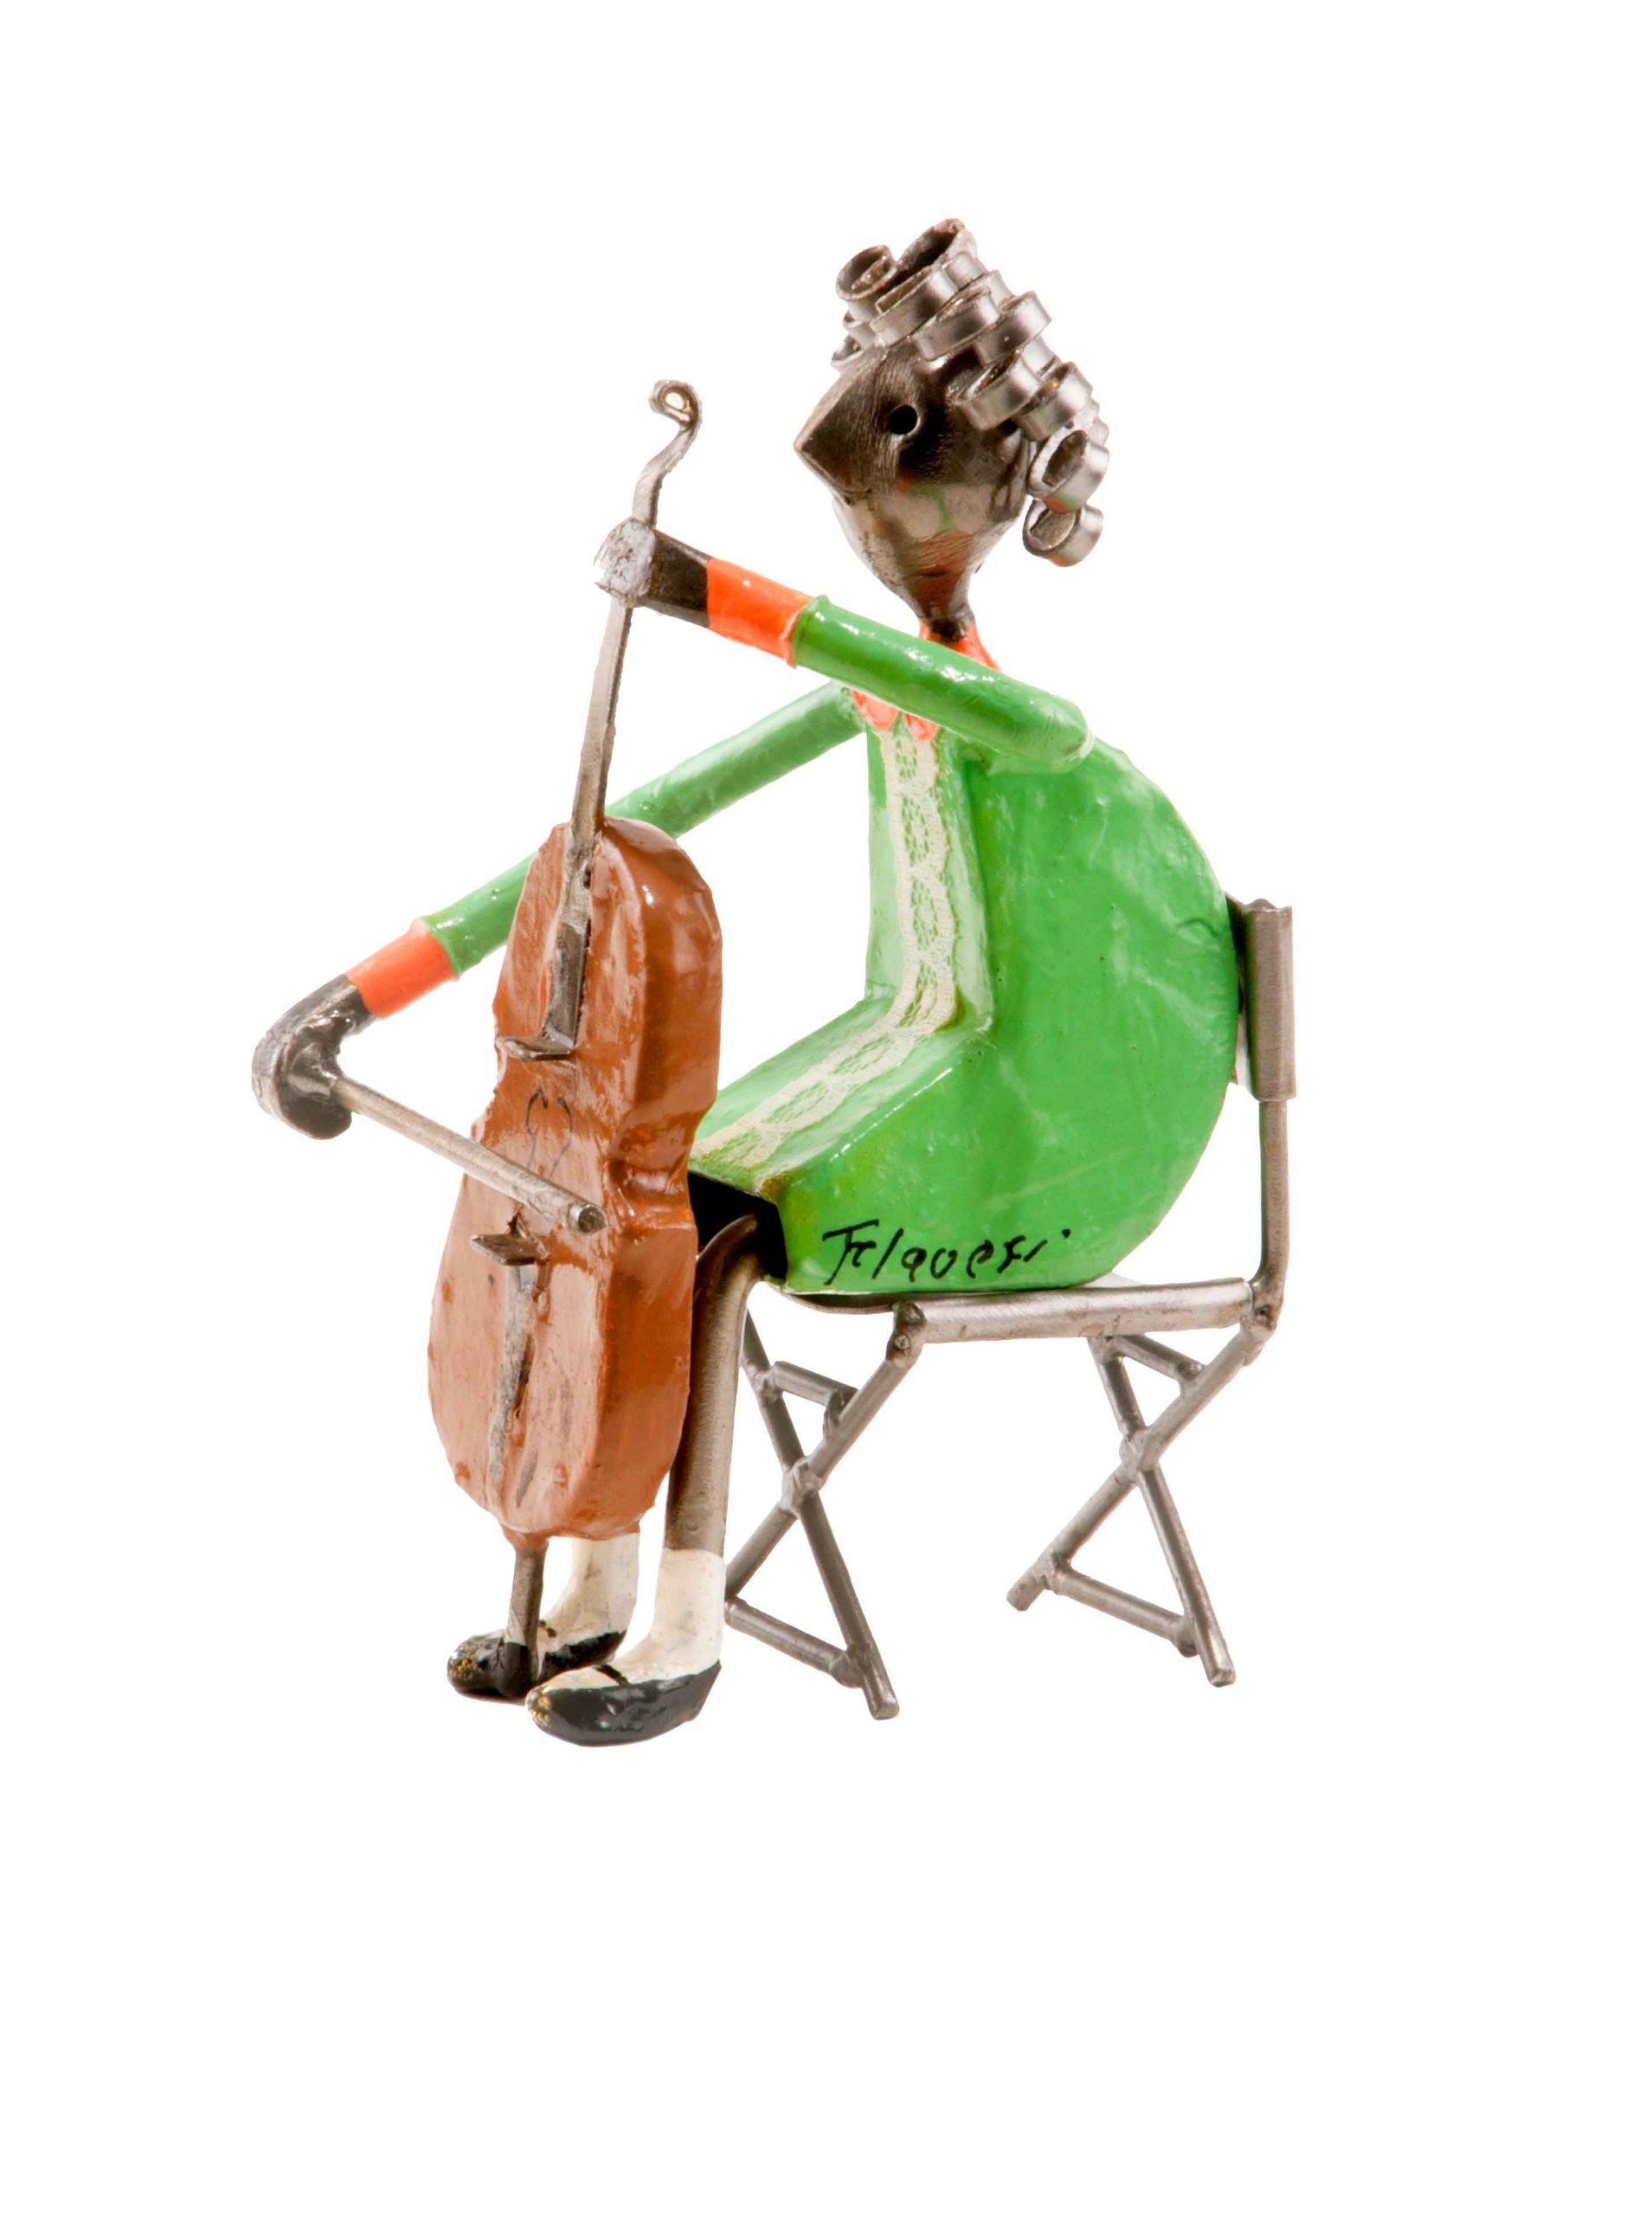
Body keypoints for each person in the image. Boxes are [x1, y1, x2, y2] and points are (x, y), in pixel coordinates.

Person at [254, 222, 1237, 1743]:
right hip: (928, 1054)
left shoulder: (1023, 719)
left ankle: (687, 1626)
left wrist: (707, 591)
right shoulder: (886, 696)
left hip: (1062, 1128)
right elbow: (633, 818)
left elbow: (959, 696)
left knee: (714, 1242)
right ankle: (587, 1579)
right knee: (652, 1199)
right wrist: (362, 994)